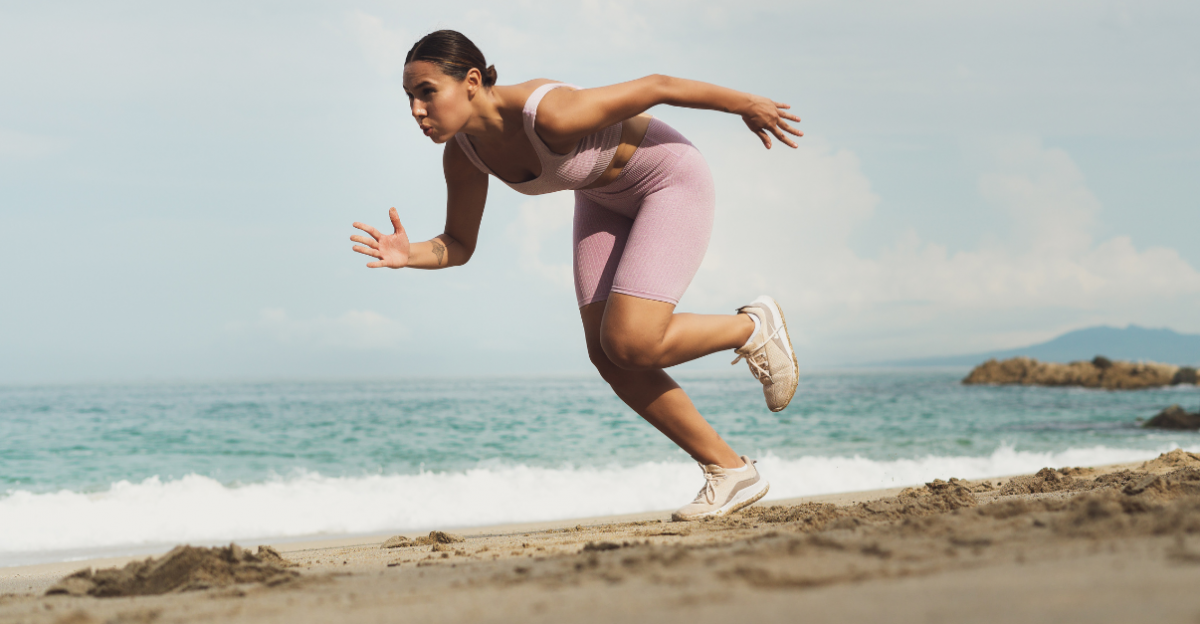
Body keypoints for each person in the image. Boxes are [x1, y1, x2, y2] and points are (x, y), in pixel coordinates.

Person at [350, 30, 802, 520]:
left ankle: (752, 327)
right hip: (600, 196)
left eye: (427, 92)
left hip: (667, 179)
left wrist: (748, 105)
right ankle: (730, 470)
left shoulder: (550, 113)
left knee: (632, 341)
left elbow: (659, 85)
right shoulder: (464, 154)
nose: (416, 110)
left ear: (472, 82)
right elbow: (458, 245)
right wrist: (406, 254)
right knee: (607, 354)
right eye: (410, 97)